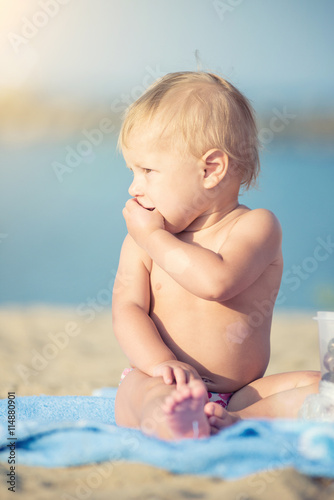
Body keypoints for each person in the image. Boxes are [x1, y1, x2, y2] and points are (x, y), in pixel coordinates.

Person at [112, 71, 320, 440]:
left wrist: (154, 237)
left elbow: (216, 282)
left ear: (210, 169)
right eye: (132, 170)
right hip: (164, 380)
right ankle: (173, 419)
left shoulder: (256, 227)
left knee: (320, 385)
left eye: (147, 170)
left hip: (242, 395)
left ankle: (241, 419)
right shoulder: (144, 240)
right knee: (137, 393)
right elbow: (127, 308)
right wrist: (160, 364)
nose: (133, 186)